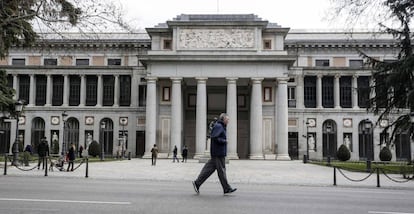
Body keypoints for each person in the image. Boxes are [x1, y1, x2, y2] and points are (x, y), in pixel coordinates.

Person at [192, 113, 237, 195]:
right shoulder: (219, 126)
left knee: (208, 170)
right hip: (218, 153)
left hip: (217, 153)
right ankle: (226, 188)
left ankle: (197, 183)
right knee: (222, 171)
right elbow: (214, 137)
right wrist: (224, 141)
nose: (228, 121)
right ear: (223, 119)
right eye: (227, 119)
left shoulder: (220, 126)